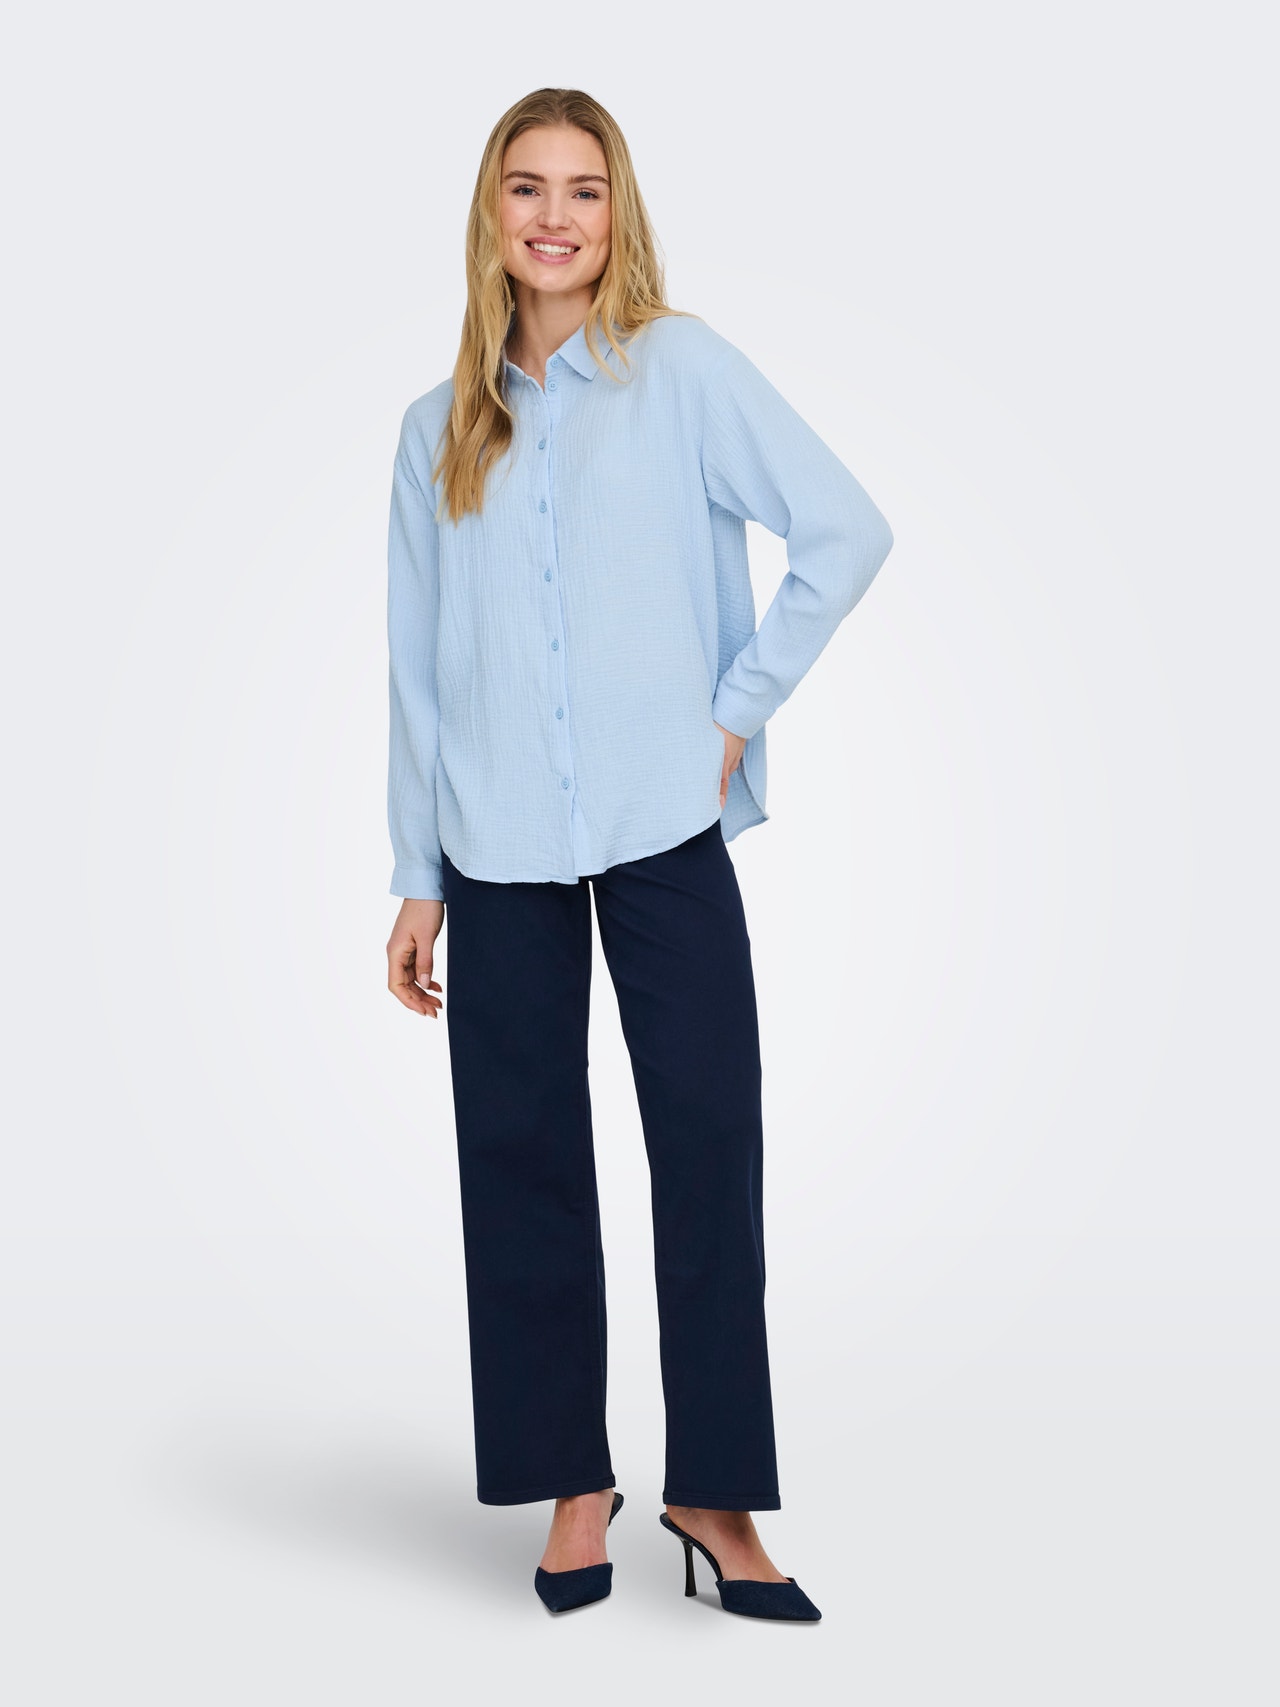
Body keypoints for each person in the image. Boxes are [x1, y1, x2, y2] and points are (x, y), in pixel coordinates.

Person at [384, 88, 894, 1621]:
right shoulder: (435, 429)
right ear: (491, 215)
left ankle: (715, 1496)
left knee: (708, 1145)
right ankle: (571, 1486)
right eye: (527, 187)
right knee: (521, 1163)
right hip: (493, 844)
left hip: (663, 823)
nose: (556, 217)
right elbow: (418, 673)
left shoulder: (682, 372)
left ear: (620, 214)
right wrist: (417, 874)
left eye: (585, 189)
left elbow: (846, 531)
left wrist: (735, 711)